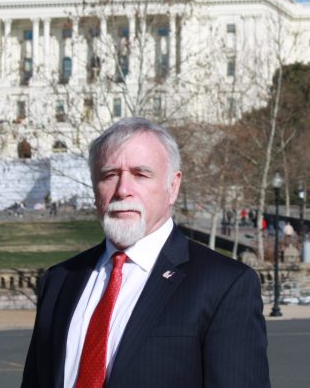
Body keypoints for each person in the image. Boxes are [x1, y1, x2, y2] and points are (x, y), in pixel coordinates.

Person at [21, 117, 270, 388]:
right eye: (109, 175)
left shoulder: (224, 285)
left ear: (172, 187)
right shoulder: (59, 281)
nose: (123, 190)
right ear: (95, 189)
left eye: (140, 174)